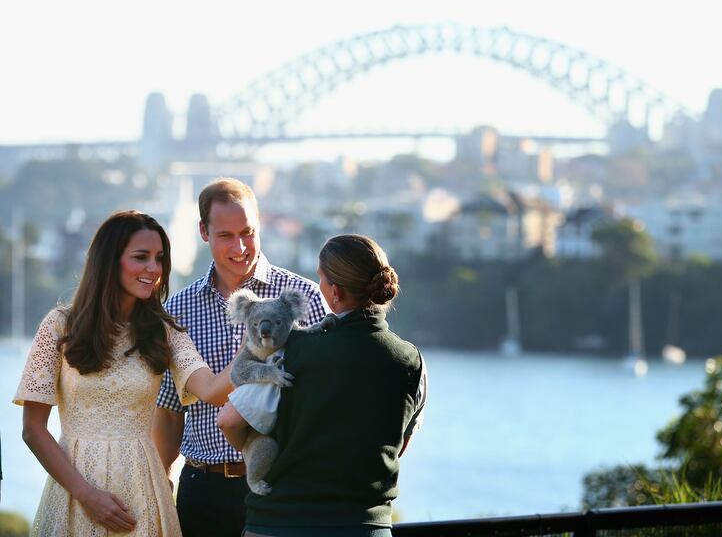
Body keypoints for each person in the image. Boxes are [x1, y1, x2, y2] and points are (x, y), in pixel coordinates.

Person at [13, 210, 263, 536]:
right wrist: (87, 495)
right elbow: (33, 429)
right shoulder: (59, 326)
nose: (153, 269)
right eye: (141, 257)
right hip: (74, 493)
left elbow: (213, 390)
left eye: (159, 259)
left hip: (142, 493)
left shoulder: (164, 331)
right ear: (109, 260)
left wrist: (256, 345)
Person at [218, 234, 428, 537]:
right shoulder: (412, 362)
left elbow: (228, 420)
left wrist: (260, 455)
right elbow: (400, 444)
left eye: (320, 280)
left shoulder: (292, 352)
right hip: (364, 526)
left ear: (335, 292)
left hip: (279, 524)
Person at [153, 178, 326, 537]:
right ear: (204, 231)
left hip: (282, 482)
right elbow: (169, 413)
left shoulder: (302, 298)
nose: (240, 246)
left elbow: (327, 397)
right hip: (204, 489)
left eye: (248, 232)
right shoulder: (177, 311)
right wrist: (161, 489)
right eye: (226, 235)